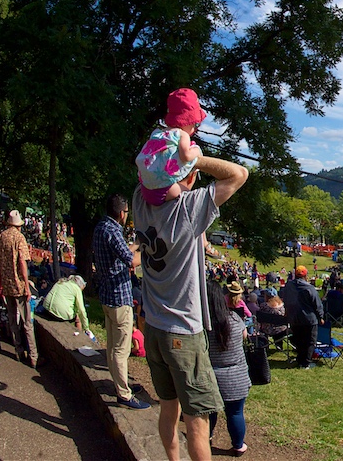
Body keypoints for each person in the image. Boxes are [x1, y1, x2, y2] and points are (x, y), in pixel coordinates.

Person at [134, 152, 248, 461]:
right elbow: (238, 174)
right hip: (183, 333)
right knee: (197, 423)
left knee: (168, 409)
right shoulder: (187, 209)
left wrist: (165, 159)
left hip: (154, 327)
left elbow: (148, 178)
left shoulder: (139, 201)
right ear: (190, 177)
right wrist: (193, 158)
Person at [92, 194, 148, 409]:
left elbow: (122, 252)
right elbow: (131, 260)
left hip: (107, 295)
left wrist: (136, 244)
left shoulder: (101, 227)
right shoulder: (114, 231)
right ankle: (123, 394)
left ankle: (120, 385)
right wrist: (147, 250)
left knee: (112, 346)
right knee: (120, 349)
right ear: (122, 213)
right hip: (119, 296)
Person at [135, 88, 206, 206]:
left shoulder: (158, 133)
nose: (195, 129)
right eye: (196, 124)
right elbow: (186, 156)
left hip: (146, 188)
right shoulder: (181, 134)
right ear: (187, 121)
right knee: (189, 194)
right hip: (164, 190)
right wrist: (197, 150)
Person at [206, 281, 251, 456]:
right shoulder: (234, 319)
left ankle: (206, 438)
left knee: (209, 412)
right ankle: (238, 445)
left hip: (211, 374)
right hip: (235, 375)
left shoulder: (204, 323)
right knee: (235, 412)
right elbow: (245, 337)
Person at [0, 210, 39, 368]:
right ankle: (34, 356)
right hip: (19, 285)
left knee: (13, 319)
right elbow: (22, 262)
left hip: (6, 284)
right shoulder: (19, 238)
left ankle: (18, 351)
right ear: (19, 225)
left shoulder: (2, 236)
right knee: (27, 322)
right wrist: (27, 286)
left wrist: (1, 281)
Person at [281, 265, 324, 369]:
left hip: (294, 318)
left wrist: (287, 311)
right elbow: (317, 304)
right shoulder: (309, 288)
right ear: (305, 276)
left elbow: (285, 299)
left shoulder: (288, 286)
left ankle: (300, 359)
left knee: (298, 340)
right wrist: (321, 316)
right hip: (309, 318)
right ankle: (305, 363)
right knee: (310, 341)